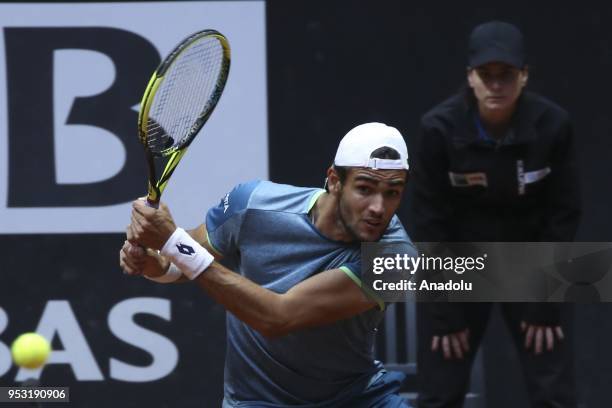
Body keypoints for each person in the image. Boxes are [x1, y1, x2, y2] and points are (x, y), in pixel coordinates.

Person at [120, 122, 417, 407]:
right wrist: (155, 265)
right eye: (365, 189)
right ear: (335, 181)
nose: (379, 208)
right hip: (257, 402)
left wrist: (173, 243)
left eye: (392, 193)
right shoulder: (251, 204)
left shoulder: (396, 258)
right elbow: (182, 263)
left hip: (357, 399)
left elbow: (278, 318)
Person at [411, 22, 581, 407]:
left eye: (506, 75)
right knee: (439, 392)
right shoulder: (437, 128)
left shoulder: (554, 126)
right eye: (485, 75)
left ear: (524, 76)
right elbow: (430, 222)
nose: (495, 85)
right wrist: (444, 314)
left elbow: (564, 216)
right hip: (459, 263)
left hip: (534, 266)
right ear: (470, 77)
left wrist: (546, 301)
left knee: (555, 393)